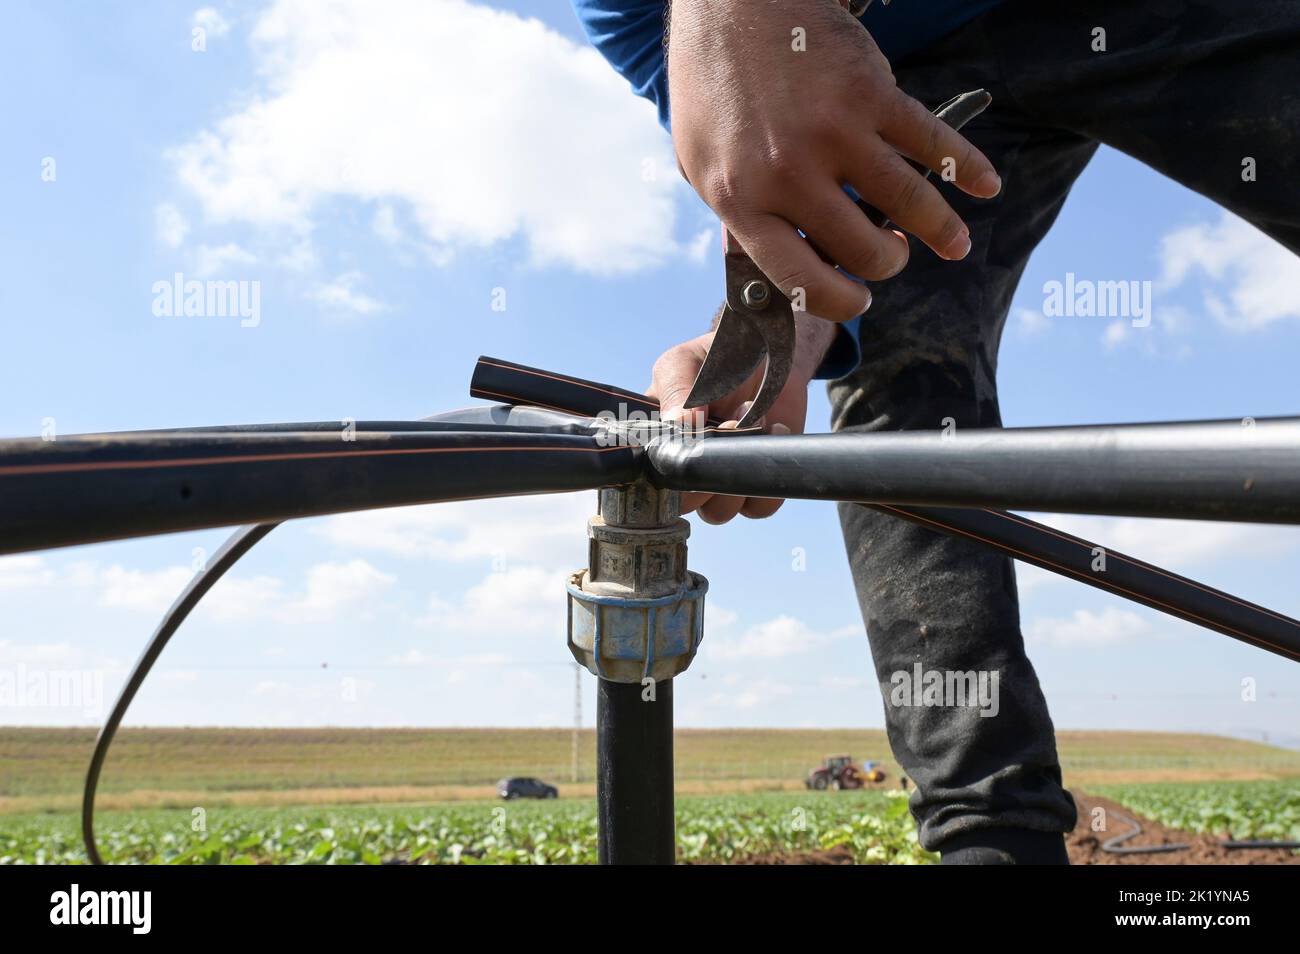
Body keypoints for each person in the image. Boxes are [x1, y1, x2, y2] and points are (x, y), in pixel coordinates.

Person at [570, 0, 1300, 863]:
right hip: (914, 68)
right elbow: (814, 222)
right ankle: (992, 830)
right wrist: (776, 341)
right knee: (905, 380)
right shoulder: (635, 18)